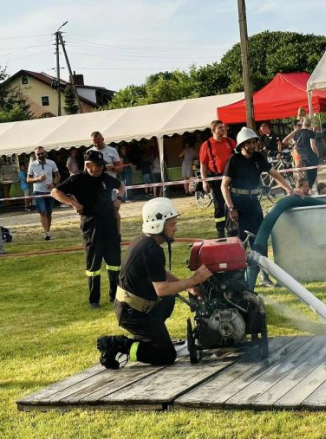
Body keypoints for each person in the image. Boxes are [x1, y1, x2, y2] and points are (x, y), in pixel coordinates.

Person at [96, 197, 213, 369]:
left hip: (132, 306)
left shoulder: (146, 243)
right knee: (165, 355)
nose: (176, 228)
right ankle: (118, 344)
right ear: (158, 225)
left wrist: (189, 286)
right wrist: (194, 279)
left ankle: (150, 336)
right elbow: (162, 289)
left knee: (169, 299)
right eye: (172, 224)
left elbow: (159, 274)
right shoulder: (151, 250)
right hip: (132, 313)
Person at [51, 150, 125, 308]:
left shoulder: (106, 178)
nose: (100, 169)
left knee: (114, 263)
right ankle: (94, 300)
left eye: (101, 166)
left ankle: (116, 296)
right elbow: (55, 192)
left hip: (109, 224)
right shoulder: (77, 180)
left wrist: (118, 198)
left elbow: (121, 186)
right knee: (93, 266)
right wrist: (73, 203)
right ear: (88, 165)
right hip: (91, 225)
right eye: (97, 166)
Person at [222, 127, 294, 288]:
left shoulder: (258, 158)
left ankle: (264, 277)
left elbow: (274, 173)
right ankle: (238, 280)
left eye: (255, 141)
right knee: (238, 243)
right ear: (243, 144)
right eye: (251, 142)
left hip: (253, 203)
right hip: (237, 204)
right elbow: (224, 186)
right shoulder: (234, 160)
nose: (254, 144)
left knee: (259, 240)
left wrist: (289, 189)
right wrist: (231, 208)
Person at [199, 120, 237, 238]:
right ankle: (220, 231)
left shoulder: (230, 142)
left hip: (231, 177)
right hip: (216, 179)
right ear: (213, 130)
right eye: (220, 128)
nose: (223, 129)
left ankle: (233, 228)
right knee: (219, 205)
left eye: (223, 127)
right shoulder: (207, 145)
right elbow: (203, 164)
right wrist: (204, 181)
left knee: (232, 203)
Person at [27, 146, 60, 241]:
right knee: (42, 211)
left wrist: (54, 183)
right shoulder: (32, 165)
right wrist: (37, 178)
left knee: (49, 212)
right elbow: (28, 179)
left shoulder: (51, 163)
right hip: (38, 191)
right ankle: (46, 233)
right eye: (38, 154)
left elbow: (58, 175)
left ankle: (48, 232)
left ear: (45, 153)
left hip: (50, 192)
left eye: (42, 153)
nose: (40, 155)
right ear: (35, 155)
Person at [282, 118, 319, 188]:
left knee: (304, 172)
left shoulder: (297, 132)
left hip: (301, 153)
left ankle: (308, 187)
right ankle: (305, 188)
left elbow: (293, 144)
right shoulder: (296, 131)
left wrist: (293, 146)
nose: (299, 126)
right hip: (302, 154)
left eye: (300, 125)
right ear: (295, 126)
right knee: (305, 173)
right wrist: (292, 145)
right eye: (298, 125)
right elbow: (284, 141)